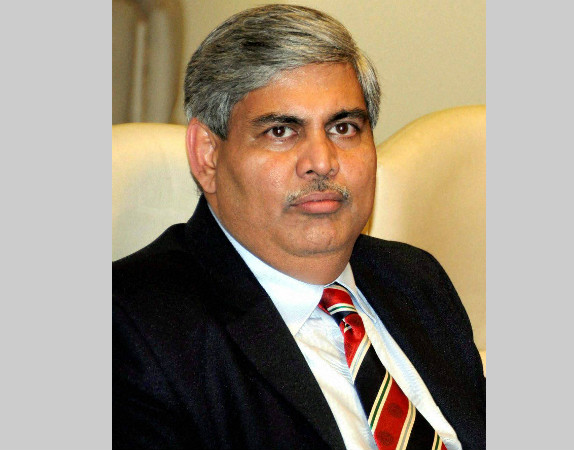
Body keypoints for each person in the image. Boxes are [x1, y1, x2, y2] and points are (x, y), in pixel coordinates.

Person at [112, 4, 485, 450]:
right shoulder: (132, 328)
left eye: (344, 127)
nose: (322, 162)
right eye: (280, 132)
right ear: (207, 155)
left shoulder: (415, 280)